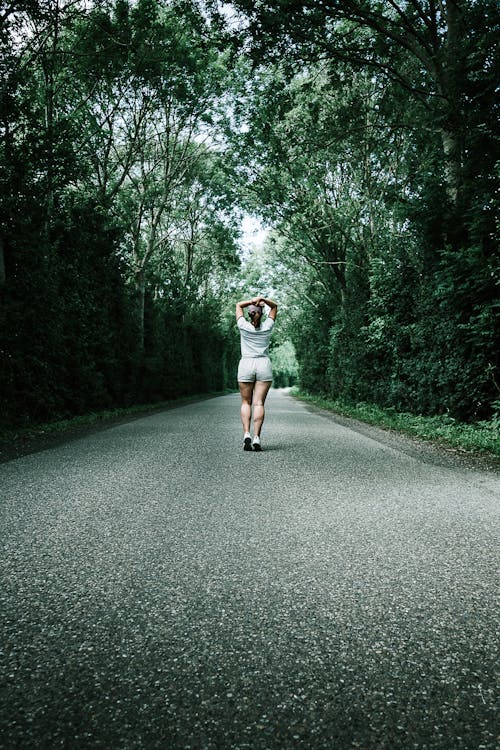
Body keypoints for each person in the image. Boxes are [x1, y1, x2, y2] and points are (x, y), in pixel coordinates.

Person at [235, 295, 278, 451]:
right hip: (263, 364)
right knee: (258, 403)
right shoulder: (267, 326)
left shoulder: (243, 326)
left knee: (246, 402)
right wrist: (263, 300)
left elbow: (239, 304)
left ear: (250, 314)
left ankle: (246, 433)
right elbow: (274, 307)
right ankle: (257, 437)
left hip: (246, 364)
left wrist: (252, 302)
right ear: (261, 313)